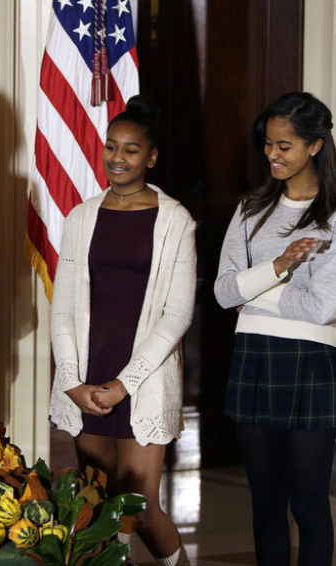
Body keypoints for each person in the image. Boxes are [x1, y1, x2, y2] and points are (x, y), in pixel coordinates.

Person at [48, 96, 194, 565]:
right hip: (87, 373)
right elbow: (64, 306)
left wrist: (123, 385)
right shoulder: (81, 216)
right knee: (97, 507)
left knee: (141, 506)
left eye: (131, 150)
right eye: (111, 146)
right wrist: (72, 380)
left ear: (150, 158)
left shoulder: (176, 221)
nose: (117, 157)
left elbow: (177, 315)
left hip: (143, 377)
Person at [214, 92, 336, 566]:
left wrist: (255, 290)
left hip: (312, 364)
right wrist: (281, 265)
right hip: (254, 361)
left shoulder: (332, 217)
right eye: (268, 144)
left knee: (308, 504)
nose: (272, 155)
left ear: (315, 146)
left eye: (285, 145)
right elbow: (224, 293)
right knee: (264, 504)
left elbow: (323, 308)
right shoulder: (250, 209)